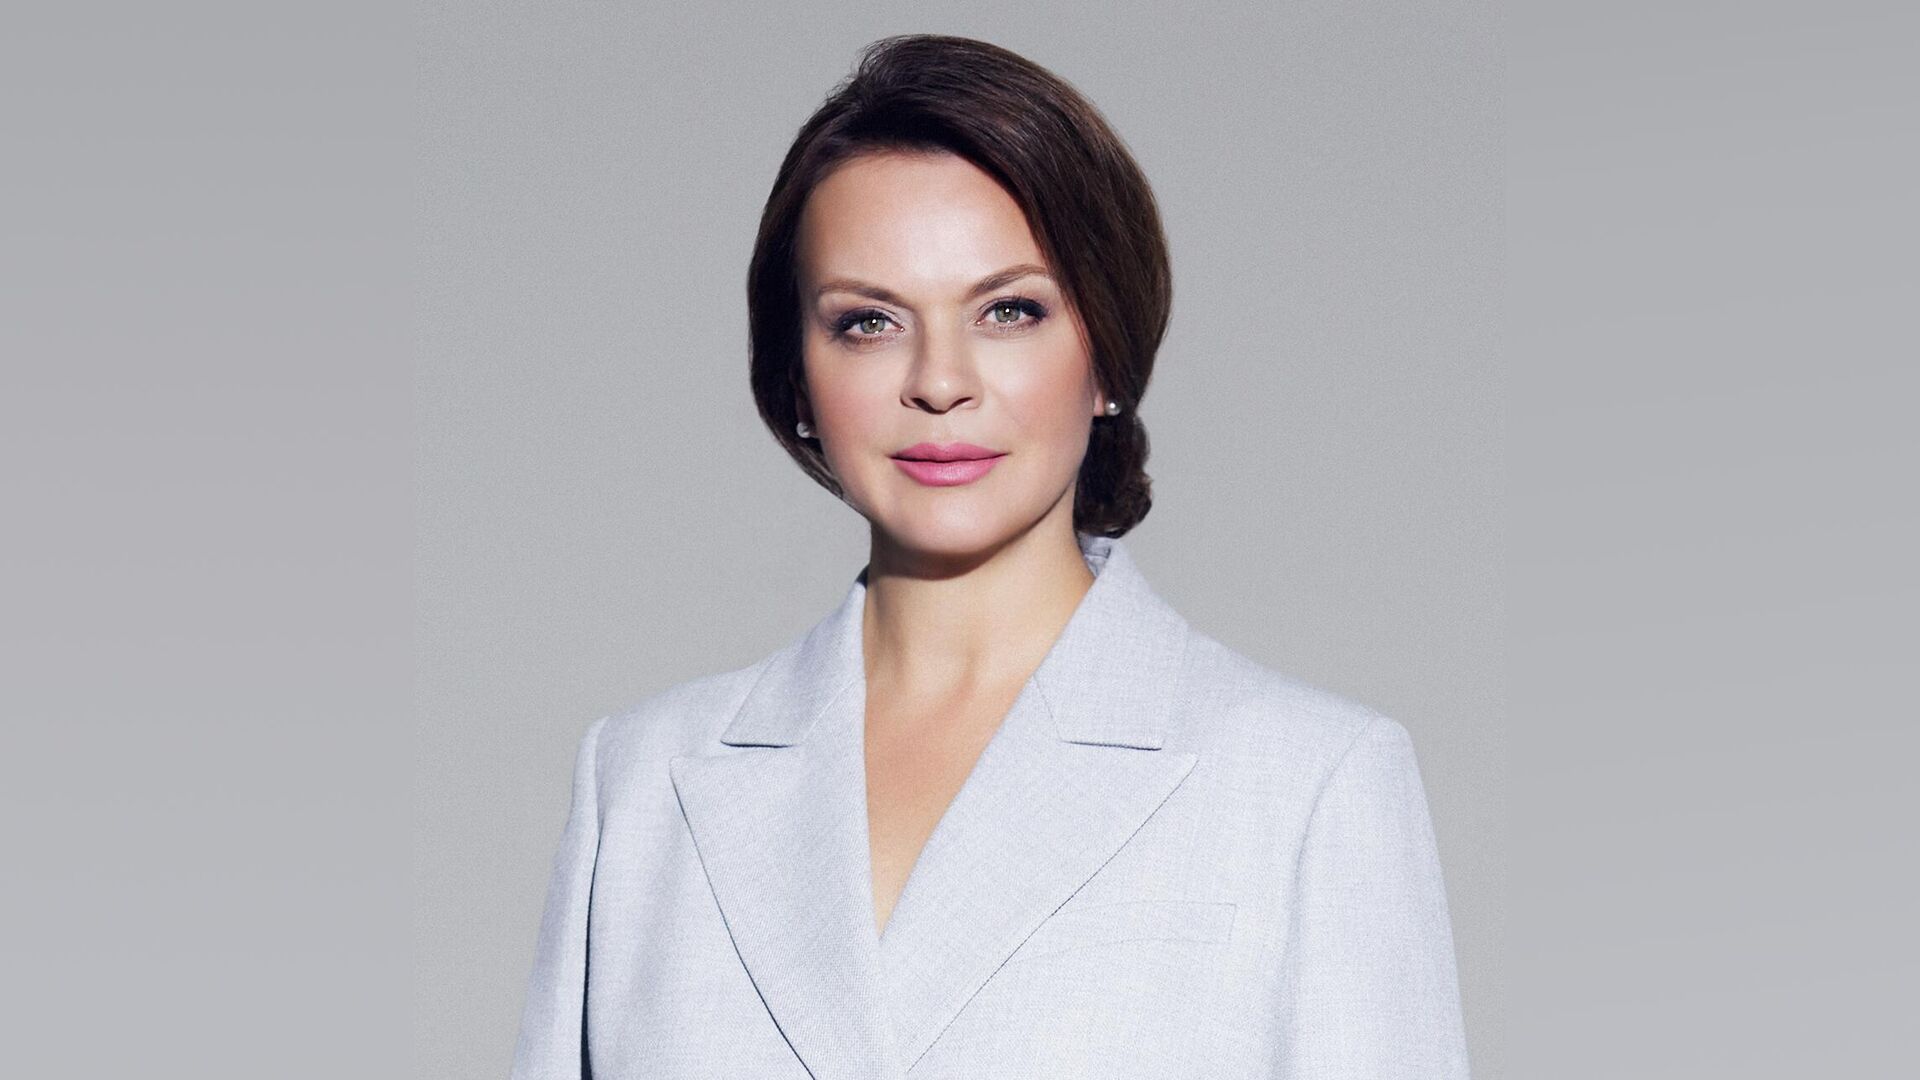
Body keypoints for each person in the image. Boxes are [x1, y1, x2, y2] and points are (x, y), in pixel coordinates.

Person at [511, 33, 1470, 1080]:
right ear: (797, 380)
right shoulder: (640, 781)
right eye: (868, 322)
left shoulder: (1309, 784)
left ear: (1106, 357)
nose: (939, 381)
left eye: (1009, 311)